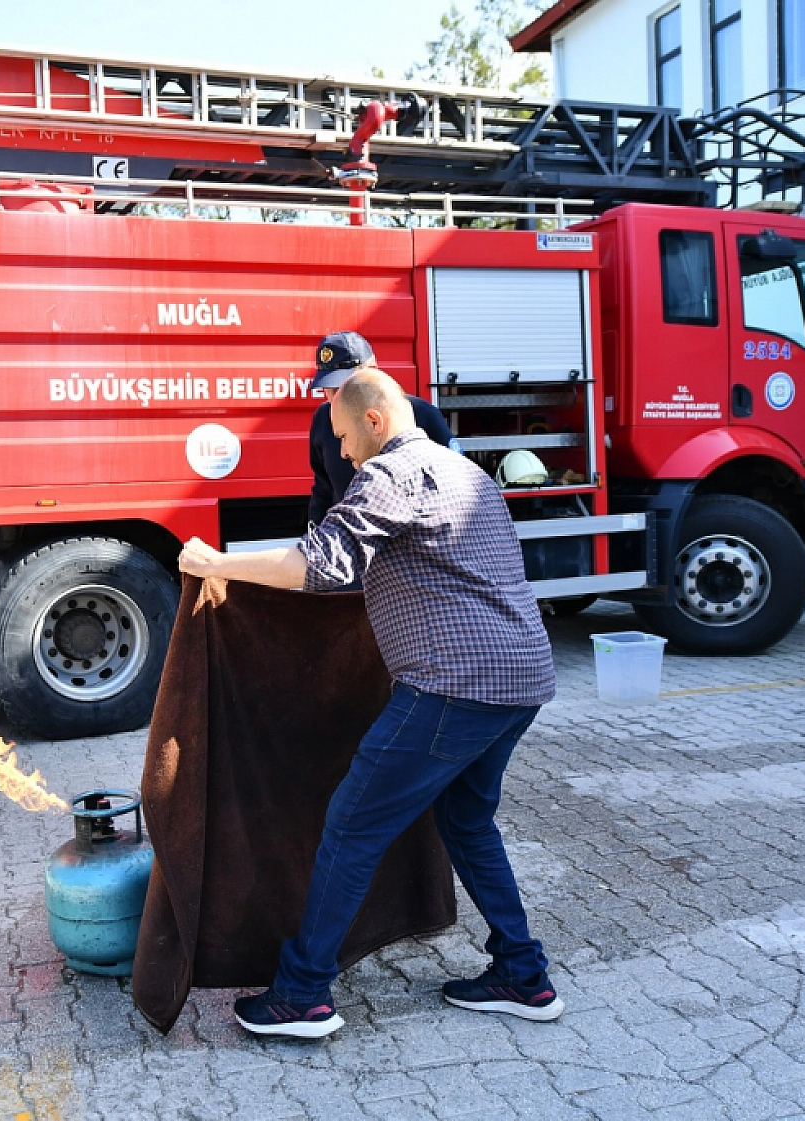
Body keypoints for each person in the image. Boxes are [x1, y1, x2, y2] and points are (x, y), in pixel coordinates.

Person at [178, 368, 559, 1040]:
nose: (344, 454)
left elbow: (322, 563)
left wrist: (217, 564)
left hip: (454, 683)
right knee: (468, 822)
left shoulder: (390, 474)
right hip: (522, 675)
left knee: (352, 825)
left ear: (375, 421)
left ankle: (301, 993)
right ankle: (522, 973)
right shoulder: (466, 472)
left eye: (346, 436)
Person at [308, 331, 456, 525]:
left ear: (373, 371)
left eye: (344, 386)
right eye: (331, 389)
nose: (338, 397)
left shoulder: (423, 415)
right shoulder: (322, 420)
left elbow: (452, 487)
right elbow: (323, 491)